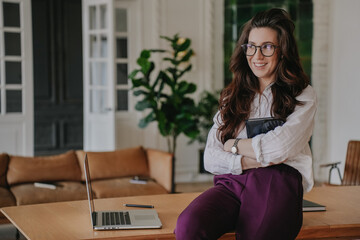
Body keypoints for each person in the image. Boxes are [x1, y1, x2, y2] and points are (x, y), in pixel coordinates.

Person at [175, 8, 317, 240]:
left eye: (267, 47)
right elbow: (210, 158)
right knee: (189, 225)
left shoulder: (302, 95)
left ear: (283, 51)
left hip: (277, 182)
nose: (257, 56)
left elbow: (280, 149)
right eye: (251, 46)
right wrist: (250, 159)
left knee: (257, 234)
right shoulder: (233, 96)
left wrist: (234, 145)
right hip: (232, 181)